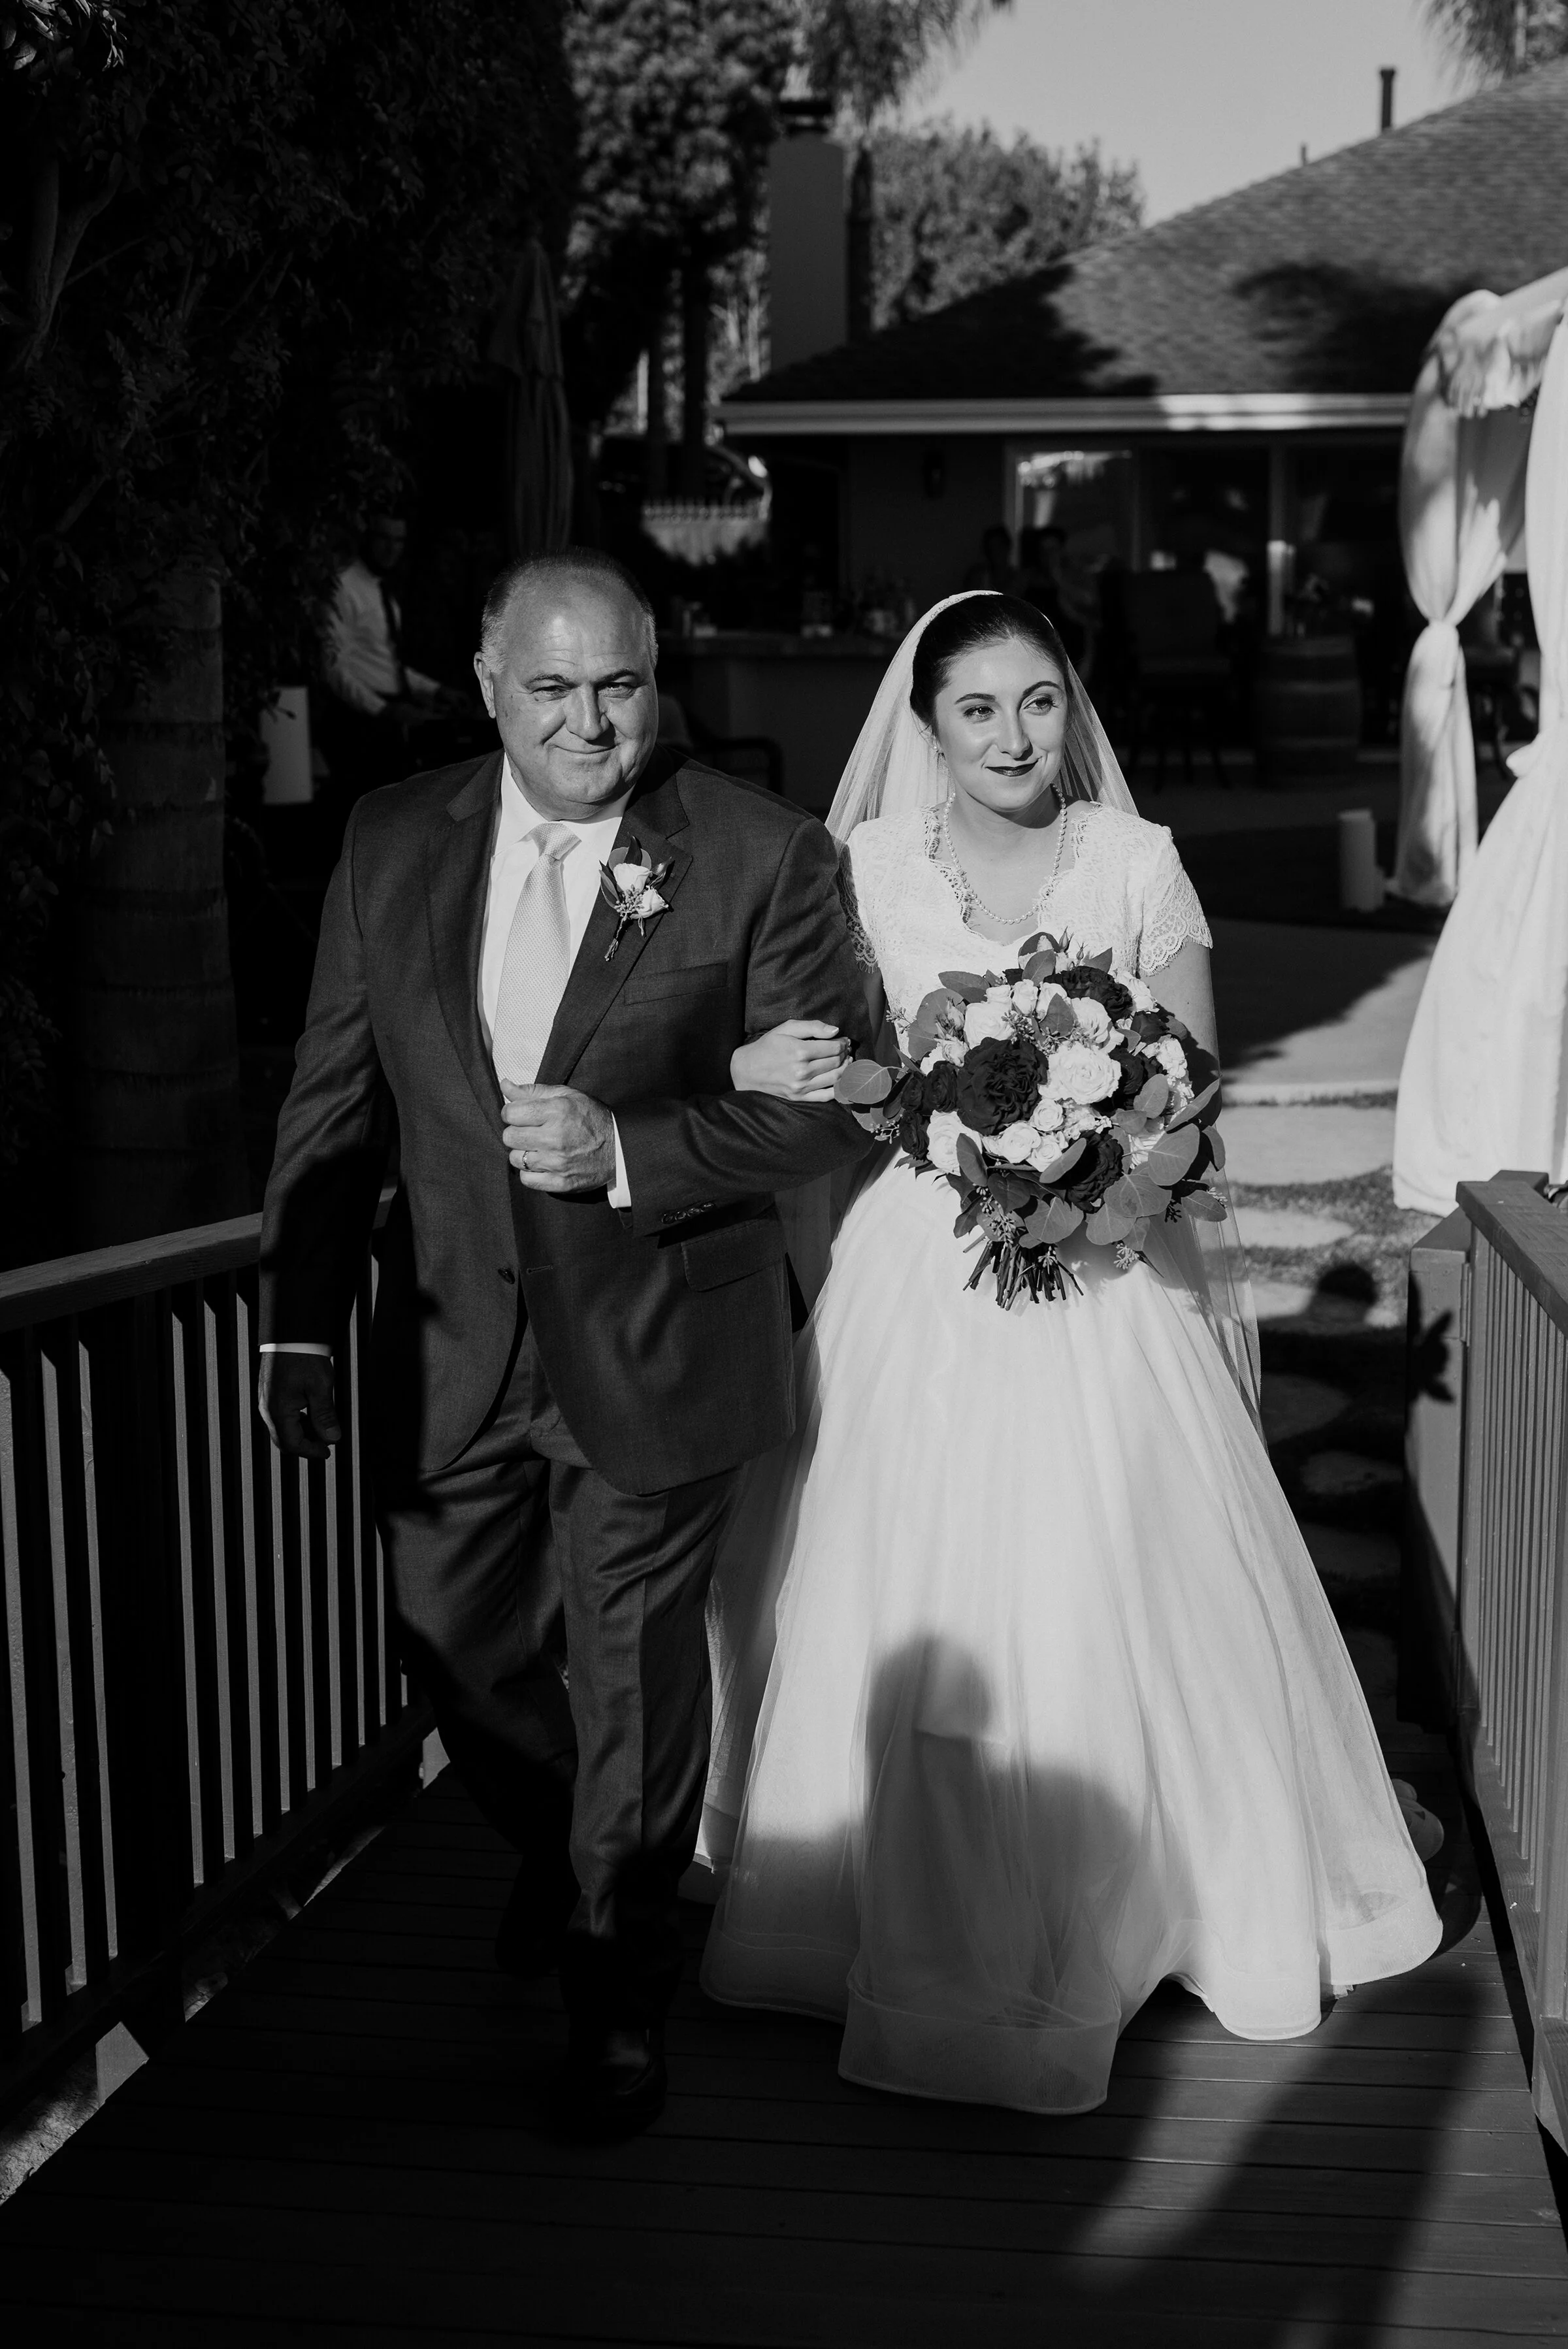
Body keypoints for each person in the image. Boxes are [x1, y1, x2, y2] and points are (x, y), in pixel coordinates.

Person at [697, 591, 1442, 2116]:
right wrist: (875, 1098)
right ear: (926, 726)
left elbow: (1187, 1088)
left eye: (1037, 702)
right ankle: (892, 1907)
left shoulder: (1130, 860)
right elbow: (857, 1095)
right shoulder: (866, 871)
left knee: (1114, 1565)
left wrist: (1079, 1177)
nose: (1011, 737)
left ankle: (1171, 1894)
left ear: (1069, 707)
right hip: (922, 1266)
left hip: (1104, 1265)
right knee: (912, 1567)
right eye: (976, 710)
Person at [257, 548, 870, 2139]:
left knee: (635, 1673)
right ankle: (561, 1842)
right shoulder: (391, 840)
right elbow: (331, 1099)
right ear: (483, 682)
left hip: (664, 1328)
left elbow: (822, 1103)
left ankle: (615, 1979)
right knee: (451, 1647)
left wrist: (623, 1146)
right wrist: (295, 1328)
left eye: (617, 685)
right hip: (448, 1336)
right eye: (551, 688)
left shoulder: (760, 852)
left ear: (653, 678)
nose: (588, 722)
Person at [316, 515, 455, 829]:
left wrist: (433, 690)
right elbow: (333, 668)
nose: (392, 549)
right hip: (358, 721)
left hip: (386, 715)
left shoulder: (380, 591)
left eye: (399, 541)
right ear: (367, 538)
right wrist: (383, 710)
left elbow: (382, 661)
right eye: (384, 539)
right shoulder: (343, 587)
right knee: (366, 818)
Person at [962, 521, 1022, 595]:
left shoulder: (1020, 579)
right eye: (992, 548)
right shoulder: (978, 578)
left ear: (1008, 547)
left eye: (1000, 547)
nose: (996, 552)